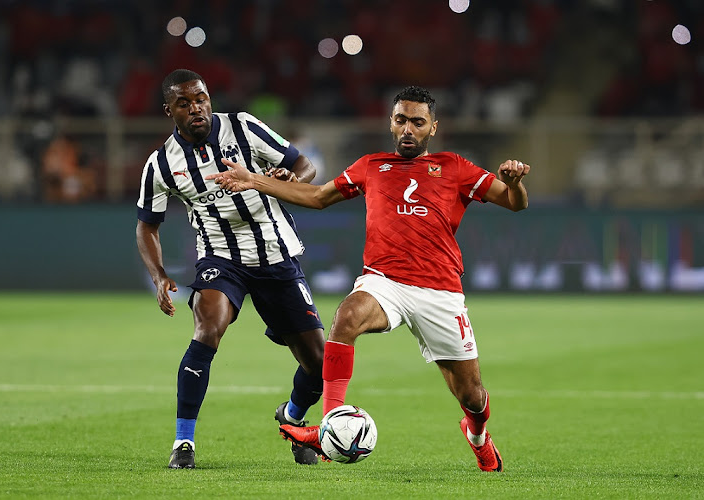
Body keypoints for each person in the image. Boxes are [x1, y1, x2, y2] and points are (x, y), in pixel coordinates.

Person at [207, 85, 531, 472]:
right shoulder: (372, 166)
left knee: (473, 396)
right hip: (385, 282)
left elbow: (515, 203)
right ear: (391, 124)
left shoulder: (455, 167)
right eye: (400, 120)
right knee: (346, 316)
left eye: (417, 122)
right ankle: (330, 425)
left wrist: (513, 182)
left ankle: (477, 435)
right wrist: (254, 180)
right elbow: (317, 197)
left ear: (433, 127)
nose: (408, 129)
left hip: (440, 291)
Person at [136, 69, 326, 468]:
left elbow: (305, 167)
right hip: (221, 258)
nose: (196, 108)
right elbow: (147, 226)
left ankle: (291, 418)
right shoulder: (161, 164)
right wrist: (159, 276)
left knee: (319, 363)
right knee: (207, 327)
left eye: (201, 98)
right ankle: (183, 442)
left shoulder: (242, 127)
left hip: (276, 254)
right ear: (168, 110)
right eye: (184, 103)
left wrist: (288, 178)